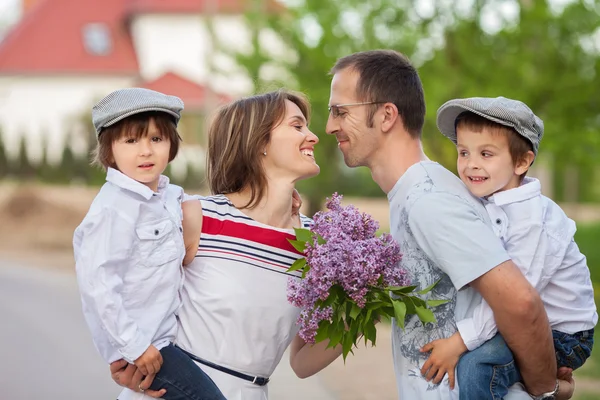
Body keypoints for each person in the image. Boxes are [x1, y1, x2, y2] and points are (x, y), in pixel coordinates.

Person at [325, 49, 574, 399]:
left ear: (386, 115)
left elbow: (520, 303)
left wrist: (548, 392)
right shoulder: (413, 195)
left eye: (340, 111)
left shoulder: (429, 201)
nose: (329, 125)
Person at [109, 90, 344, 400]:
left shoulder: (319, 245)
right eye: (297, 126)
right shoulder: (197, 217)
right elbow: (121, 284)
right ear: (259, 141)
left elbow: (301, 362)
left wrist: (367, 305)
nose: (313, 136)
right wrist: (124, 352)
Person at [417, 97, 596, 399]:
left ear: (521, 162)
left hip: (563, 333)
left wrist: (460, 341)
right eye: (463, 152)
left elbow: (513, 299)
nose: (471, 163)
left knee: (476, 366)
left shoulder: (532, 221)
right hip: (528, 320)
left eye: (486, 153)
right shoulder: (487, 202)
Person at [73, 88, 227, 400]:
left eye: (156, 139)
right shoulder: (112, 210)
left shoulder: (171, 196)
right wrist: (135, 346)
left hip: (172, 337)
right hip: (147, 347)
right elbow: (99, 286)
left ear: (171, 146)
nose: (145, 151)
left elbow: (217, 208)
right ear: (109, 150)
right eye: (131, 141)